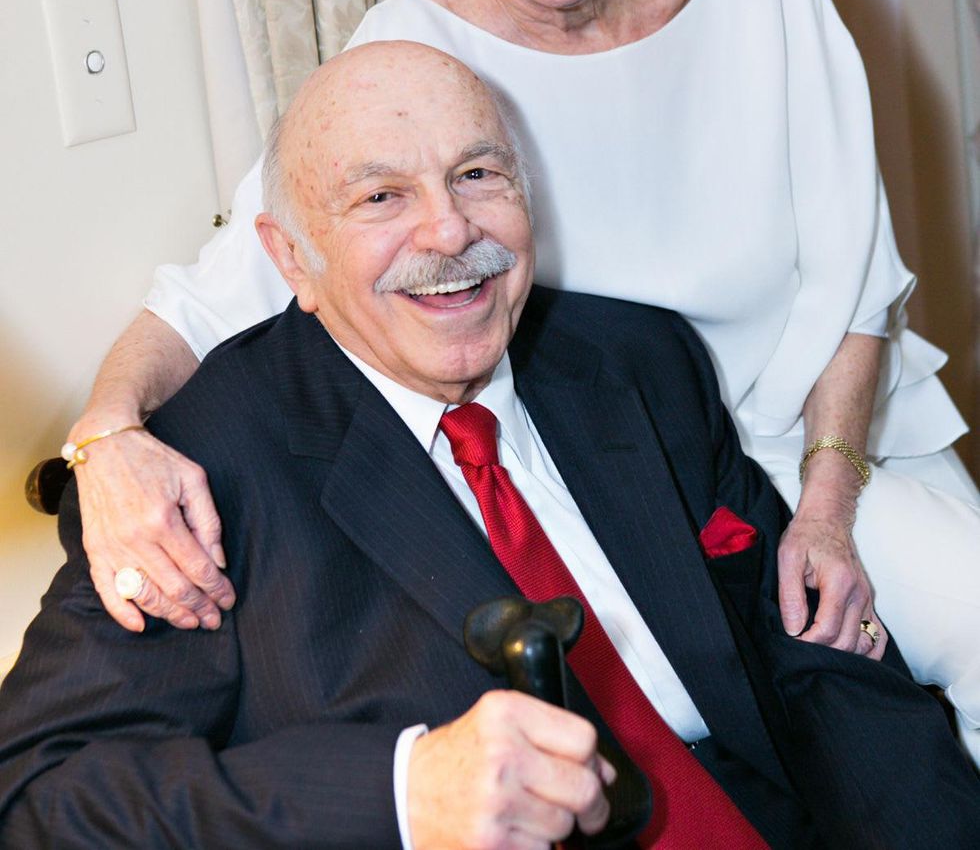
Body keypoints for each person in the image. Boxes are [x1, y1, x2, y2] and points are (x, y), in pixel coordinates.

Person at [61, 0, 980, 755]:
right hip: (645, 490)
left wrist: (827, 510)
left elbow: (858, 281)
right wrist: (105, 433)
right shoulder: (412, 47)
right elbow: (232, 283)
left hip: (837, 444)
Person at [3, 42, 978, 850]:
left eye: (476, 174)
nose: (448, 228)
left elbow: (812, 665)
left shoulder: (636, 360)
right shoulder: (202, 470)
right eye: (380, 196)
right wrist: (397, 792)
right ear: (291, 256)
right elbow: (37, 793)